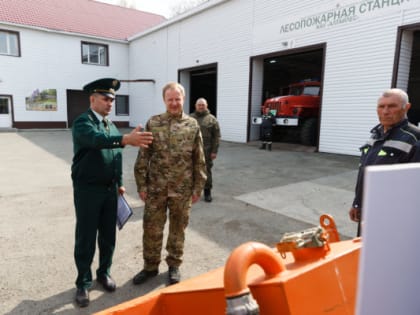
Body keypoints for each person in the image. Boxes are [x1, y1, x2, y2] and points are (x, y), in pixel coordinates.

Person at [71, 78, 153, 307]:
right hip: (88, 191)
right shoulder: (82, 123)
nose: (110, 103)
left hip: (109, 191)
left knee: (108, 236)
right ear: (92, 99)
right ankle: (83, 283)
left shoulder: (110, 124)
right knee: (86, 237)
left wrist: (119, 182)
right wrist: (126, 139)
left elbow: (115, 157)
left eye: (112, 100)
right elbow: (97, 141)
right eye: (106, 99)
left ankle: (103, 272)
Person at [133, 82, 207, 286]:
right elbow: (143, 156)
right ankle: (150, 267)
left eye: (177, 99)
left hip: (182, 190)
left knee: (178, 229)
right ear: (164, 100)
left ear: (183, 99)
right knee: (152, 228)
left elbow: (199, 158)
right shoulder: (153, 123)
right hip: (156, 189)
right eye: (170, 99)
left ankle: (174, 266)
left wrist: (198, 187)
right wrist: (141, 185)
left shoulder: (192, 125)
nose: (174, 103)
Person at [349, 88, 420, 236]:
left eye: (392, 106)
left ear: (406, 108)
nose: (385, 111)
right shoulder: (375, 135)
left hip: (391, 217)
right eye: (381, 106)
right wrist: (357, 203)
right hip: (367, 211)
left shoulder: (414, 138)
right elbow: (364, 173)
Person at [190, 98, 221, 202]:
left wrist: (214, 151)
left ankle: (207, 192)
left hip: (206, 151)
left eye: (203, 105)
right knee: (191, 171)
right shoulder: (190, 118)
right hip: (192, 150)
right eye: (199, 105)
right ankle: (192, 192)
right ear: (196, 106)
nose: (201, 106)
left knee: (206, 171)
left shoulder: (212, 119)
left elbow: (216, 137)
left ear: (206, 106)